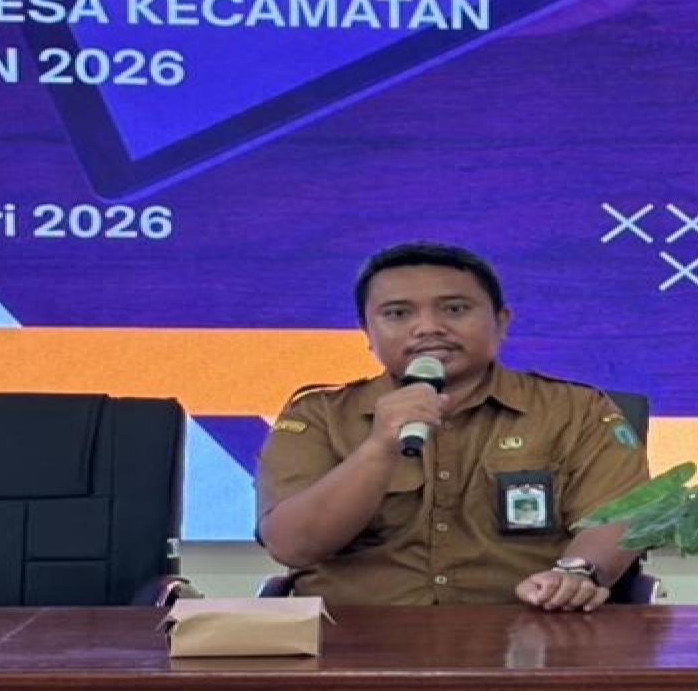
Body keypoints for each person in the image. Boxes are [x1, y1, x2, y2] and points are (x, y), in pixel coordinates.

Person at [256, 241, 649, 608]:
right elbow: (293, 546)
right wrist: (378, 448)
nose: (428, 328)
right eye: (398, 314)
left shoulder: (577, 410)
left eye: (455, 309)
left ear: (501, 321)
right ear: (367, 332)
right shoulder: (318, 416)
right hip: (351, 636)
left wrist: (576, 574)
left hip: (529, 630)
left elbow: (619, 516)